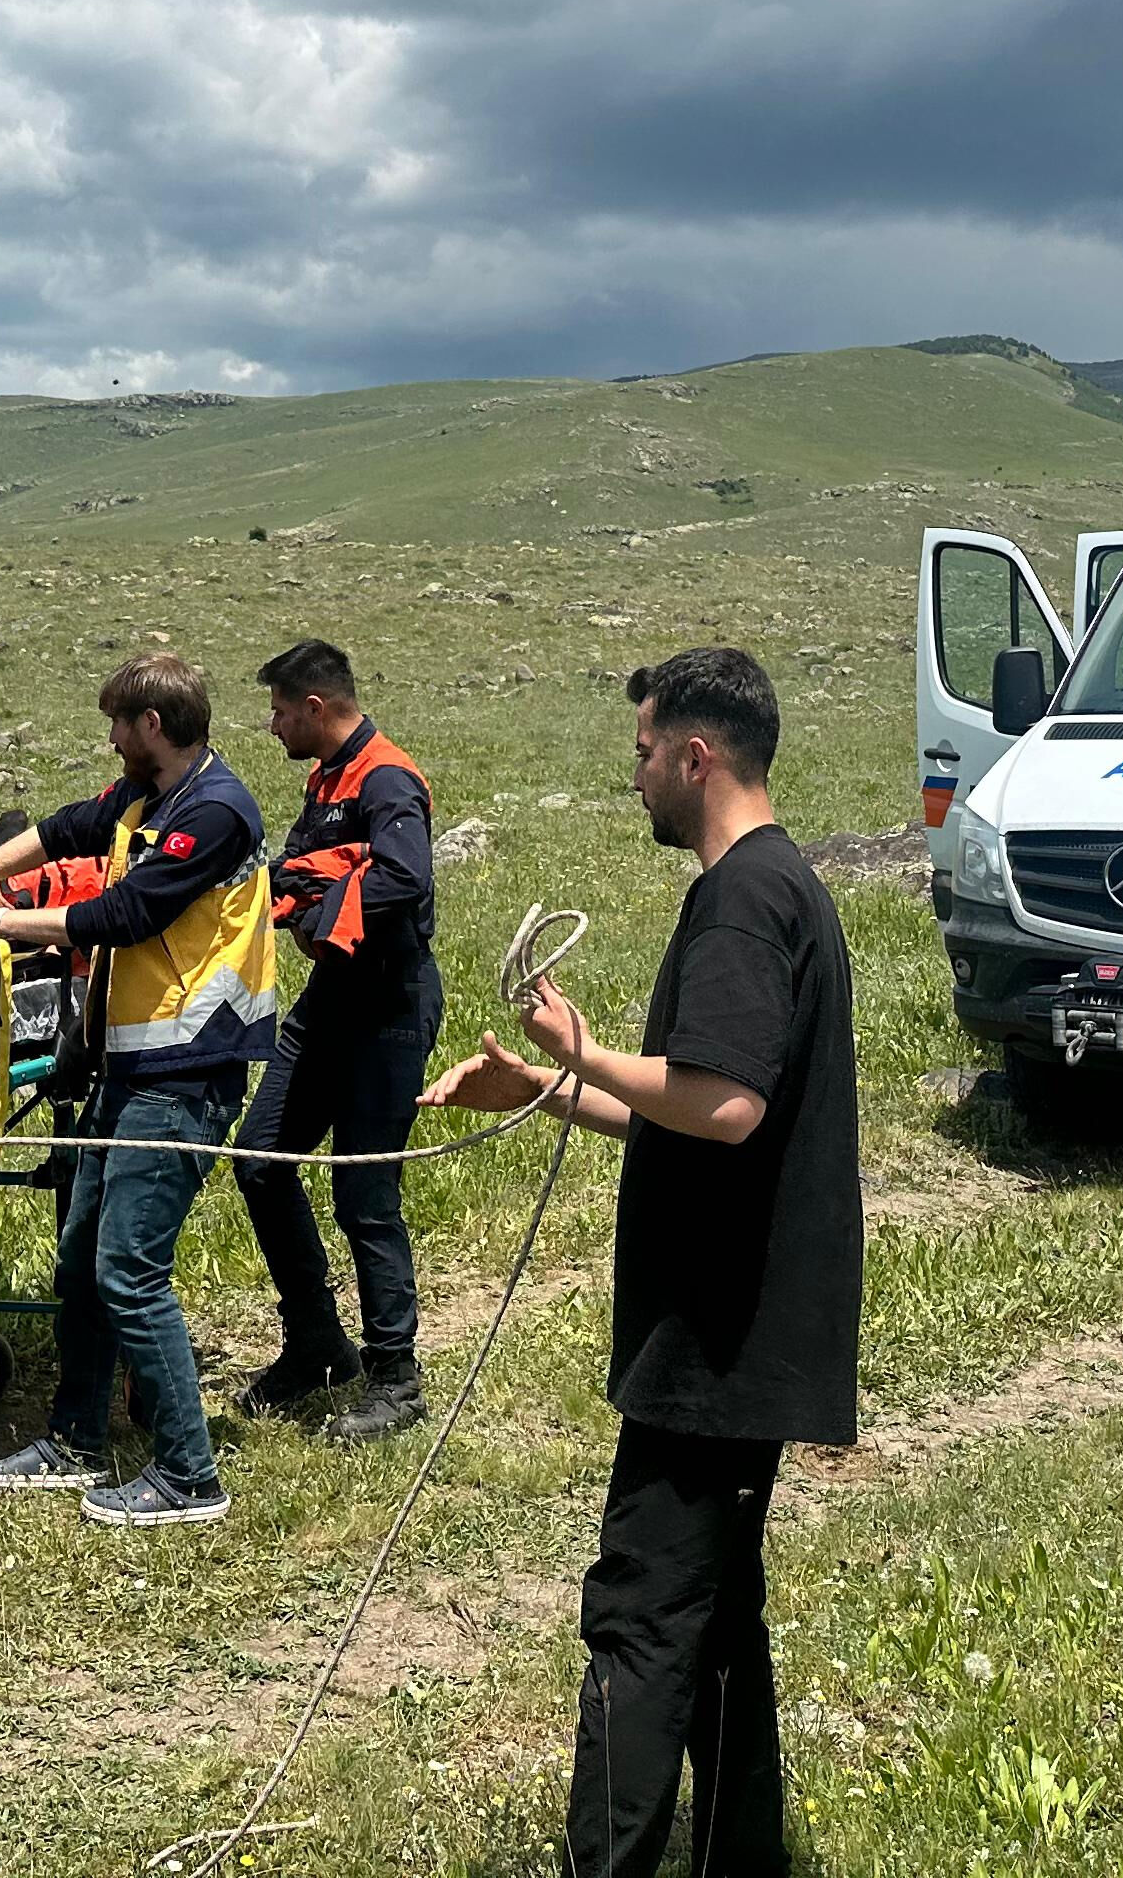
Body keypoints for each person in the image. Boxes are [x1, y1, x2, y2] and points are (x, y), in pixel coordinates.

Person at [424, 647, 858, 1878]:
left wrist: (586, 1043)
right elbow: (709, 1110)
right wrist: (556, 1086)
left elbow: (720, 1105)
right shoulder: (779, 886)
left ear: (694, 755)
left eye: (640, 753)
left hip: (717, 1340)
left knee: (642, 1617)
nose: (634, 780)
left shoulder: (739, 897)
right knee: (716, 1623)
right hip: (740, 1331)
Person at [0, 653, 273, 1529]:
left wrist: (0, 919)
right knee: (84, 1256)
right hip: (130, 1065)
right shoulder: (149, 798)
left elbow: (126, 915)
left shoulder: (214, 813)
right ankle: (77, 1437)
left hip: (186, 1070)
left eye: (118, 725)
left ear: (152, 728)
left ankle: (190, 1477)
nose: (112, 740)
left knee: (129, 1268)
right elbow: (65, 829)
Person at [228, 637, 442, 1441]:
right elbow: (293, 865)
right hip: (330, 1003)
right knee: (261, 1161)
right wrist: (304, 883)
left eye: (280, 711)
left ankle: (396, 1377)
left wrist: (324, 901)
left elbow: (403, 877)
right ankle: (317, 1342)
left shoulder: (385, 776)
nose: (273, 724)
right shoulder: (326, 781)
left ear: (315, 707)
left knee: (365, 1197)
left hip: (388, 1008)